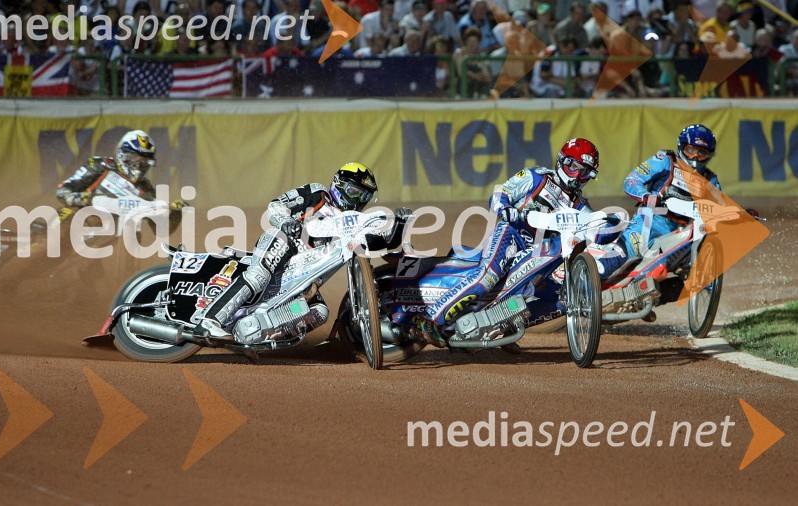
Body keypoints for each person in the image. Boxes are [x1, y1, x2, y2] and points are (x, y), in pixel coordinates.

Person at [413, 139, 603, 346]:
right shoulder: (536, 176)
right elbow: (500, 193)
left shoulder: (580, 206)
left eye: (585, 171)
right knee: (487, 277)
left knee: (534, 295)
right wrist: (505, 208)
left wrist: (609, 224)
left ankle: (497, 329)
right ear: (561, 161)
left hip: (539, 252)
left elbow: (597, 230)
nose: (577, 175)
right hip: (512, 234)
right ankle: (429, 319)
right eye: (574, 166)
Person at [197, 163, 411, 338]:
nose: (358, 200)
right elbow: (276, 205)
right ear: (339, 184)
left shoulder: (357, 223)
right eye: (355, 191)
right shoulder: (317, 193)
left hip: (302, 280)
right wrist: (286, 222)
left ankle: (257, 334)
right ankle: (210, 320)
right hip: (283, 244)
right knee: (259, 277)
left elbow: (383, 243)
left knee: (317, 312)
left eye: (365, 196)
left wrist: (400, 224)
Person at [596, 125, 721, 283]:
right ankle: (580, 285)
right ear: (681, 147)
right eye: (691, 150)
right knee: (610, 263)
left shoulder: (710, 179)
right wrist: (646, 196)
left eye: (702, 153)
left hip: (680, 234)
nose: (696, 156)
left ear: (709, 155)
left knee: (699, 252)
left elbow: (720, 208)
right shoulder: (665, 161)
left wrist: (743, 214)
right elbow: (633, 180)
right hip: (649, 222)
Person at [56, 130, 159, 208]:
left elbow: (160, 227)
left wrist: (173, 213)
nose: (139, 164)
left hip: (116, 234)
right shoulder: (101, 165)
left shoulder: (145, 188)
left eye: (144, 160)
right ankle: (43, 234)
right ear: (122, 154)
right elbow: (62, 190)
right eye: (135, 158)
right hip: (82, 219)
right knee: (66, 213)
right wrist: (79, 199)